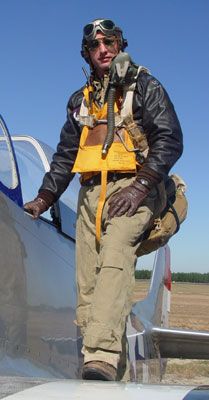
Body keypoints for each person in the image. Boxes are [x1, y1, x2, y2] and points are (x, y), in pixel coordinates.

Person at [24, 18, 183, 381]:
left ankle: (99, 356)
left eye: (108, 42)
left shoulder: (145, 85)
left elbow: (170, 138)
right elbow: (66, 157)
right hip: (89, 195)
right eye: (95, 46)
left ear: (119, 44)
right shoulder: (80, 102)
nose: (103, 50)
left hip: (135, 187)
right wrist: (43, 198)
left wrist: (141, 186)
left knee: (114, 256)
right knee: (89, 288)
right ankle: (111, 377)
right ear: (88, 54)